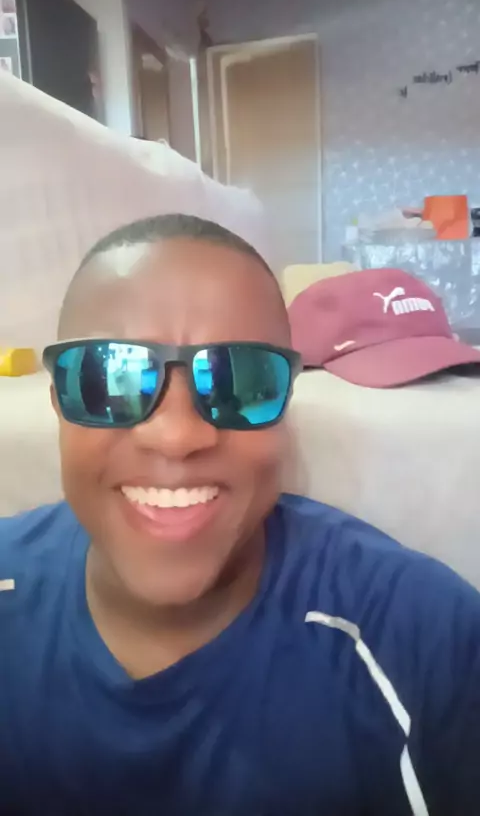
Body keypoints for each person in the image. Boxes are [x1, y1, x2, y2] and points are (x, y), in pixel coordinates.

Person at [0, 213, 478, 816]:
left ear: (286, 406)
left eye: (239, 379)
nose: (176, 436)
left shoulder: (428, 640)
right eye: (110, 378)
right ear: (58, 405)